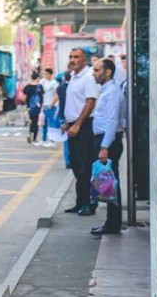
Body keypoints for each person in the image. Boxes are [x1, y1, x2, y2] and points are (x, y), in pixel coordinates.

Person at [61, 49, 99, 215]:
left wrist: (77, 124)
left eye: (76, 57)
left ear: (85, 60)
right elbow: (74, 103)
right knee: (76, 166)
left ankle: (89, 203)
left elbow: (90, 102)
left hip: (84, 126)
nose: (72, 60)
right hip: (73, 125)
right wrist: (67, 123)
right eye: (70, 57)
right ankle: (80, 202)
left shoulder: (88, 77)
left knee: (85, 167)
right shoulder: (74, 77)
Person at [90, 58, 125, 236]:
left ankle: (113, 224)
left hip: (108, 141)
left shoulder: (112, 92)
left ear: (108, 72)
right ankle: (111, 222)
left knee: (111, 182)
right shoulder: (106, 90)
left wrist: (104, 147)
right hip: (105, 139)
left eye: (97, 70)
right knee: (108, 182)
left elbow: (112, 121)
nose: (94, 73)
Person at [54, 71, 72, 167]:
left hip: (62, 115)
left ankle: (67, 161)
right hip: (73, 116)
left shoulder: (60, 88)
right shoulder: (73, 87)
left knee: (66, 140)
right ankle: (73, 160)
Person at [39, 68, 59, 146]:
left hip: (51, 105)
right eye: (44, 74)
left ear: (51, 74)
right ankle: (44, 139)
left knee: (51, 123)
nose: (45, 75)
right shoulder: (43, 82)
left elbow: (57, 95)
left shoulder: (54, 83)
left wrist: (52, 104)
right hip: (44, 105)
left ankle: (52, 140)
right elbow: (41, 94)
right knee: (43, 123)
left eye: (46, 74)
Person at [23, 72, 43, 145]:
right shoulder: (39, 87)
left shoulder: (27, 86)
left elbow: (24, 96)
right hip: (37, 107)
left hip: (30, 107)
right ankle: (34, 138)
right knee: (36, 122)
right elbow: (42, 97)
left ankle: (30, 133)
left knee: (32, 121)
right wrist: (42, 105)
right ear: (37, 78)